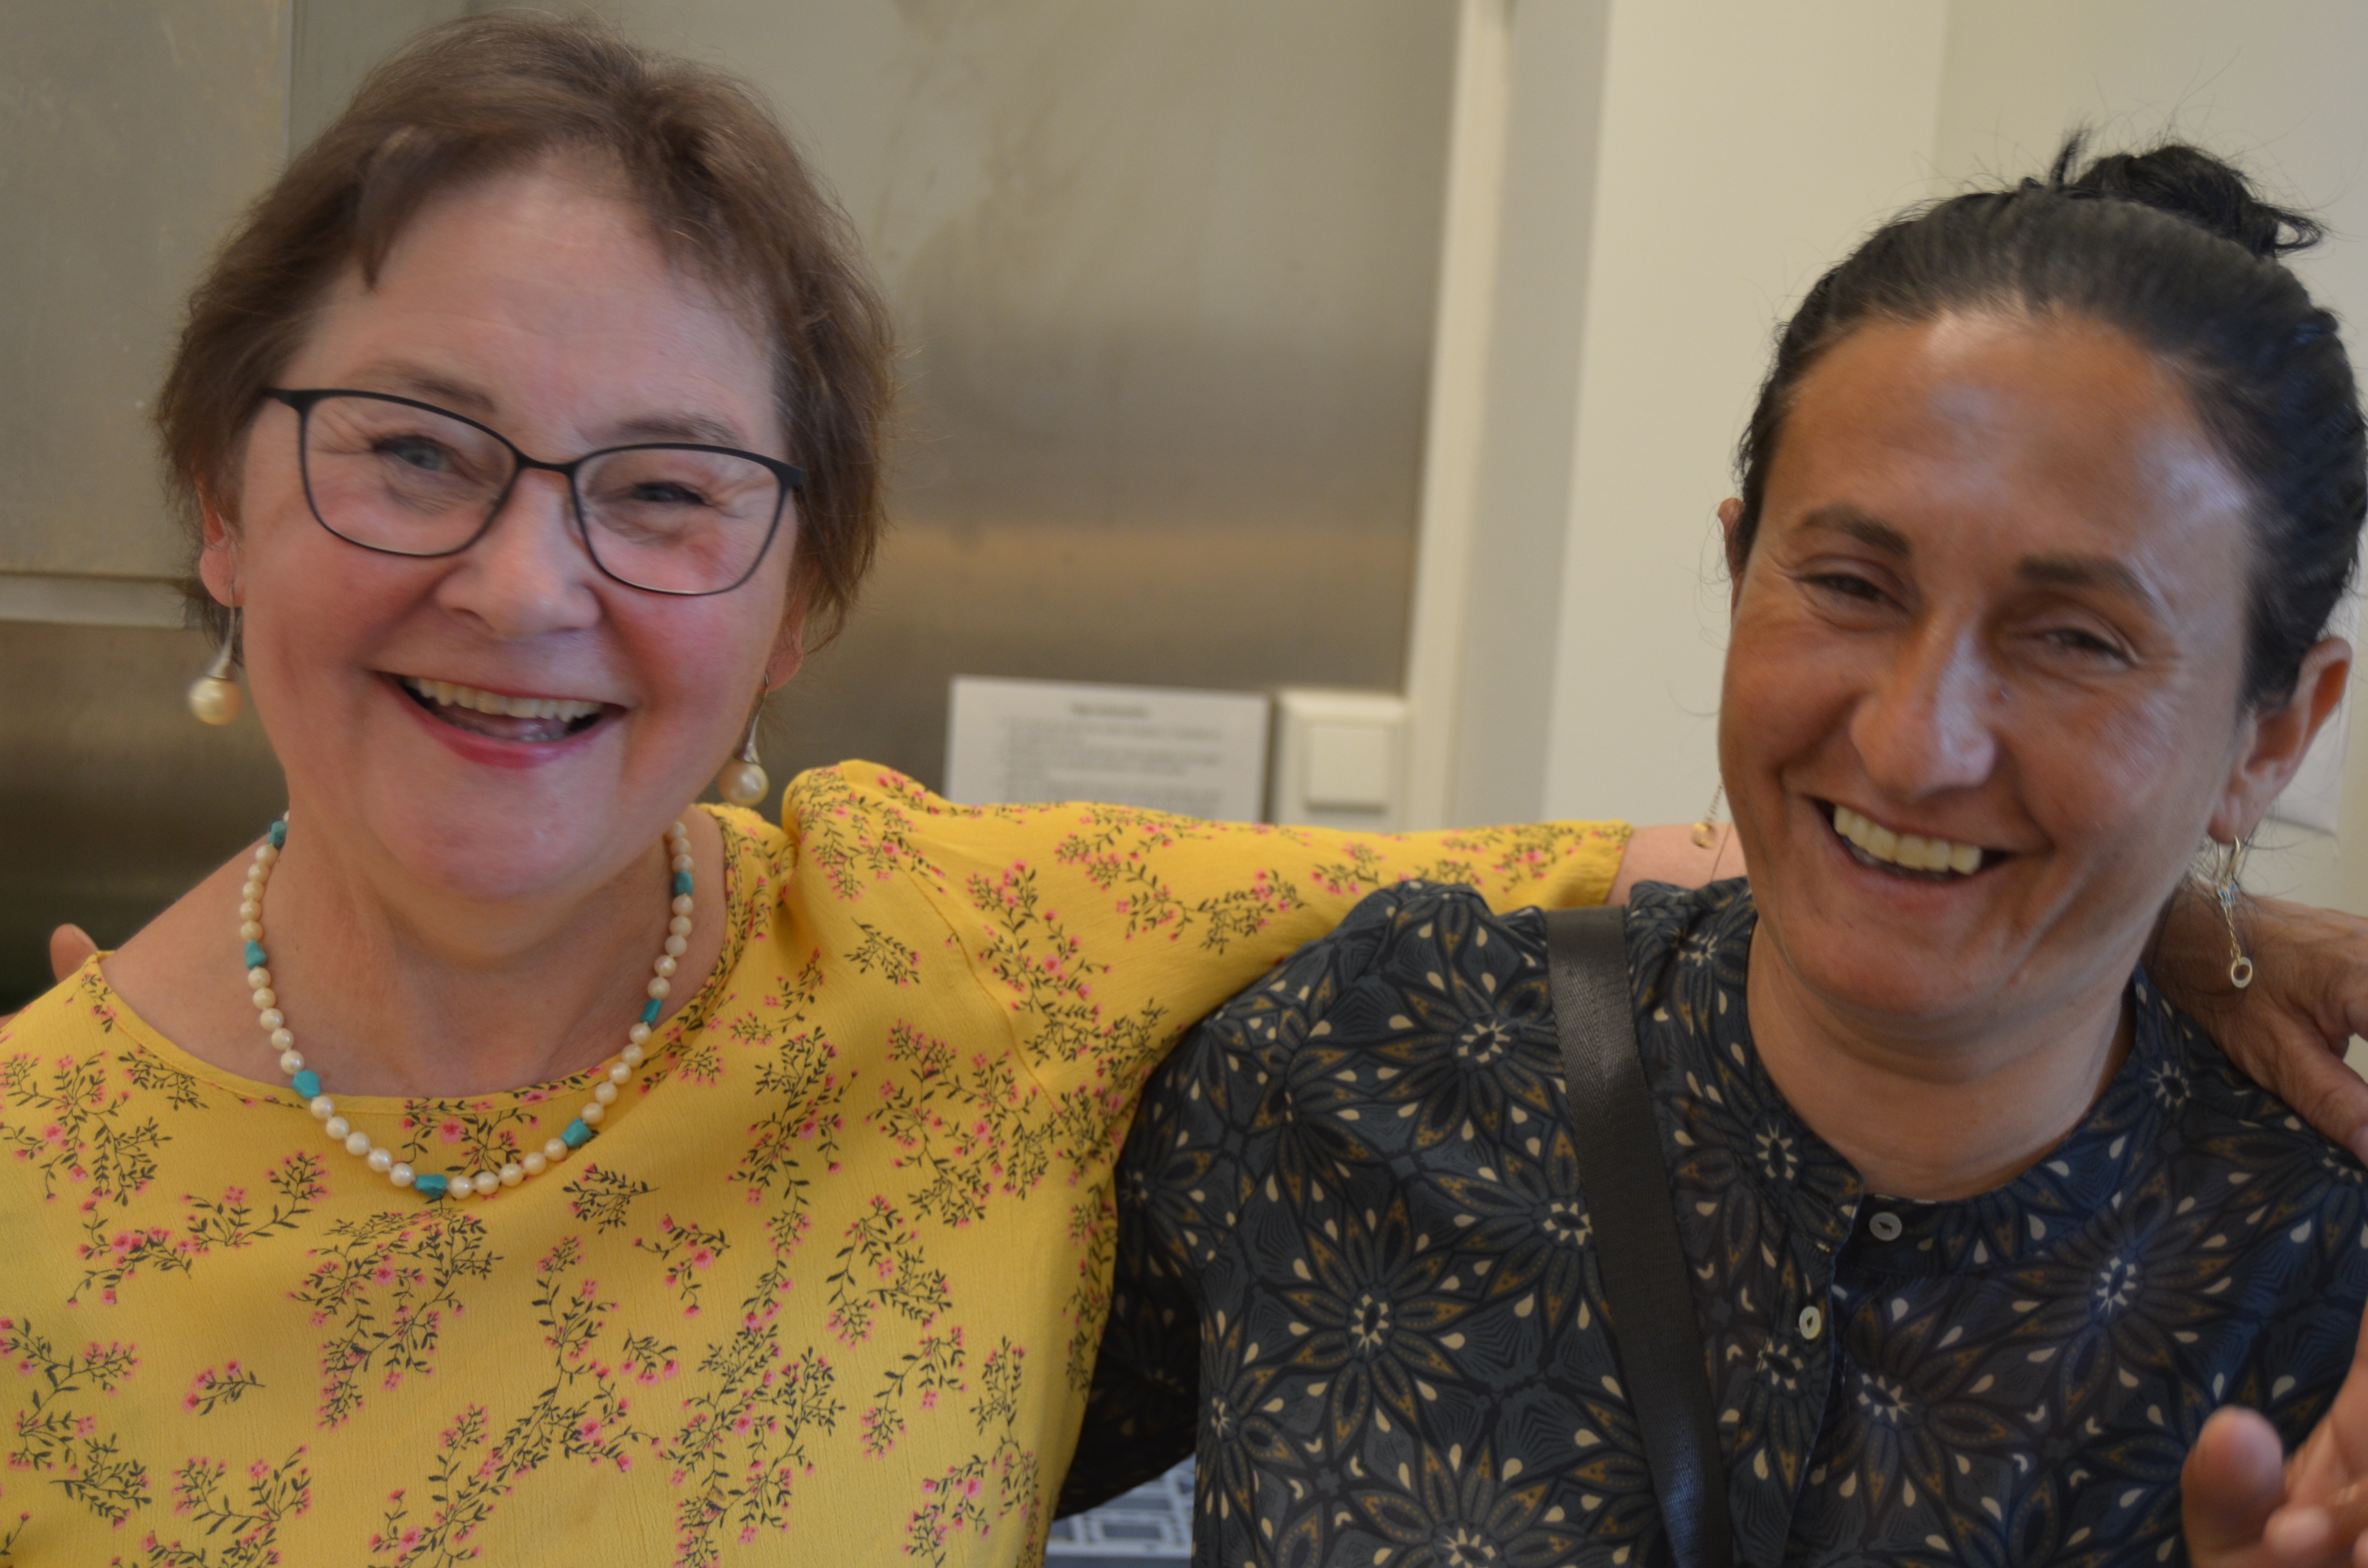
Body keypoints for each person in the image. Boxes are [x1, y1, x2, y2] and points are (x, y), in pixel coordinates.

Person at [0, 24, 2361, 1564]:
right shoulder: (1365, 1070)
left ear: (794, 595)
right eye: (412, 449)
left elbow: (1782, 869)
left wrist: (2157, 913)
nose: (525, 584)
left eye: (664, 488)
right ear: (218, 497)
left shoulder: (985, 962)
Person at [1066, 142, 2368, 1565]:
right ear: (1743, 570)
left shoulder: (2321, 1313)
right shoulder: (1364, 1061)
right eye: (1852, 586)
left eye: (2074, 640)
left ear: (2273, 733)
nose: (1913, 744)